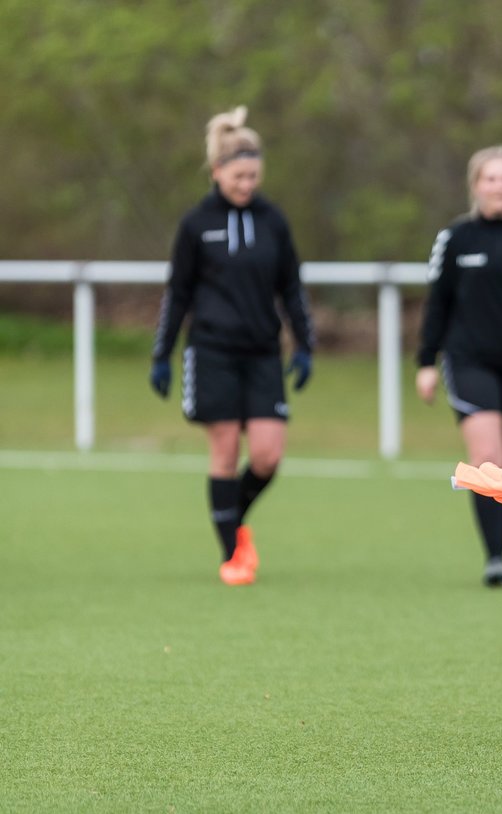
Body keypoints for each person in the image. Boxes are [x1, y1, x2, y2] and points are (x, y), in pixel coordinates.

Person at [150, 106, 315, 587]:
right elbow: (176, 292)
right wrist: (161, 355)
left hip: (263, 352)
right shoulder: (196, 223)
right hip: (212, 352)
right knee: (224, 452)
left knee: (267, 456)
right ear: (217, 171)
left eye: (253, 176)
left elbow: (292, 287)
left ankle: (231, 517)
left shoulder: (273, 221)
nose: (246, 184)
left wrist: (304, 345)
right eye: (238, 176)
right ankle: (232, 556)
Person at [415, 146, 502, 588]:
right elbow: (438, 304)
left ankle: (501, 552)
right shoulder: (455, 239)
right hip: (468, 359)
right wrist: (425, 362)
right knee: (488, 457)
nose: (500, 186)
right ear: (476, 186)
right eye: (491, 179)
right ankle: (493, 559)